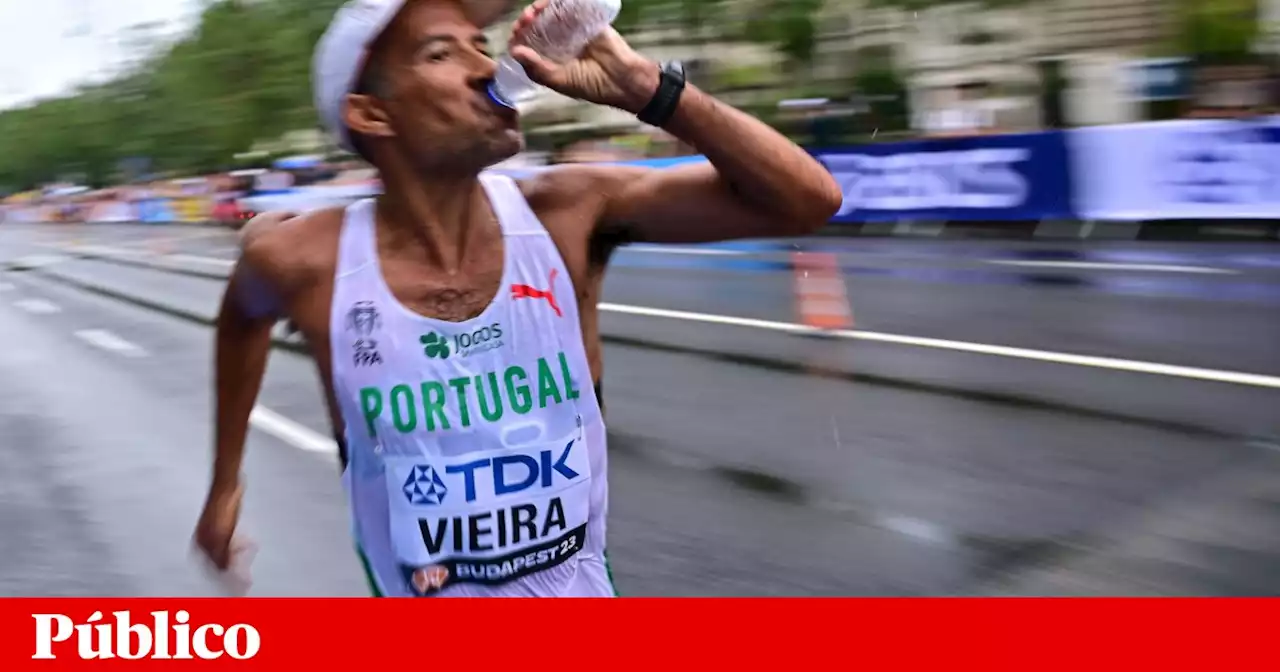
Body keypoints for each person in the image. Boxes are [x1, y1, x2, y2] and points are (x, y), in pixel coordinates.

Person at [193, 0, 842, 598]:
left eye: (482, 44)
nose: (488, 66)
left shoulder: (568, 214)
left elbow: (808, 200)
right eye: (441, 53)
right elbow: (241, 320)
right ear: (372, 113)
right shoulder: (306, 262)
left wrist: (647, 89)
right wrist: (226, 484)